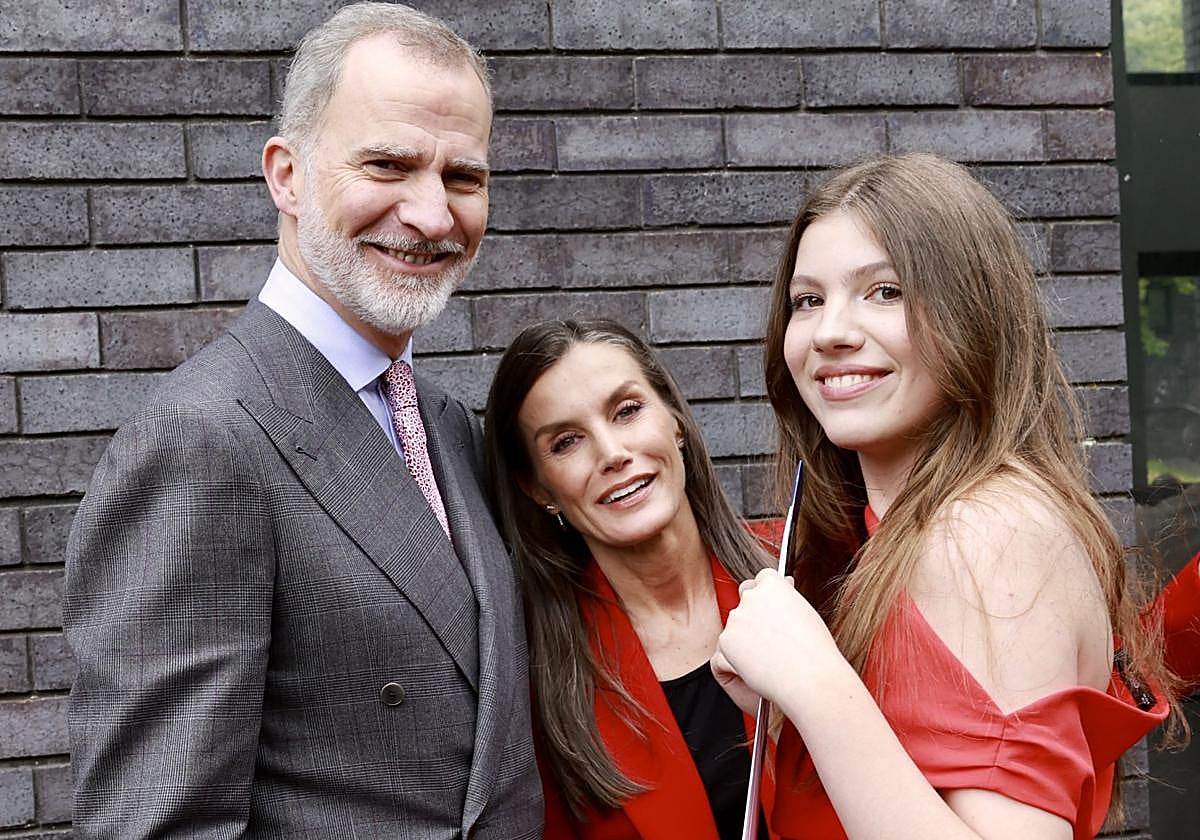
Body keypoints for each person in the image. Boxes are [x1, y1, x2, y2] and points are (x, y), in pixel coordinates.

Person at [63, 4, 541, 838]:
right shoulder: (200, 440)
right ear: (286, 175)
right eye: (388, 165)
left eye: (464, 177)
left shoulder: (445, 422)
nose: (433, 215)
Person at [710, 153, 1180, 840]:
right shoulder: (893, 528)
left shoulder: (986, 532)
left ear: (973, 315)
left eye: (885, 291)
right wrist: (786, 706)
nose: (830, 331)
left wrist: (815, 684)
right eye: (808, 300)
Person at [482, 319, 777, 840]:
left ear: (675, 422)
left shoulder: (807, 570)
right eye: (566, 442)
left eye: (627, 411)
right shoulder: (533, 682)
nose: (612, 453)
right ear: (538, 489)